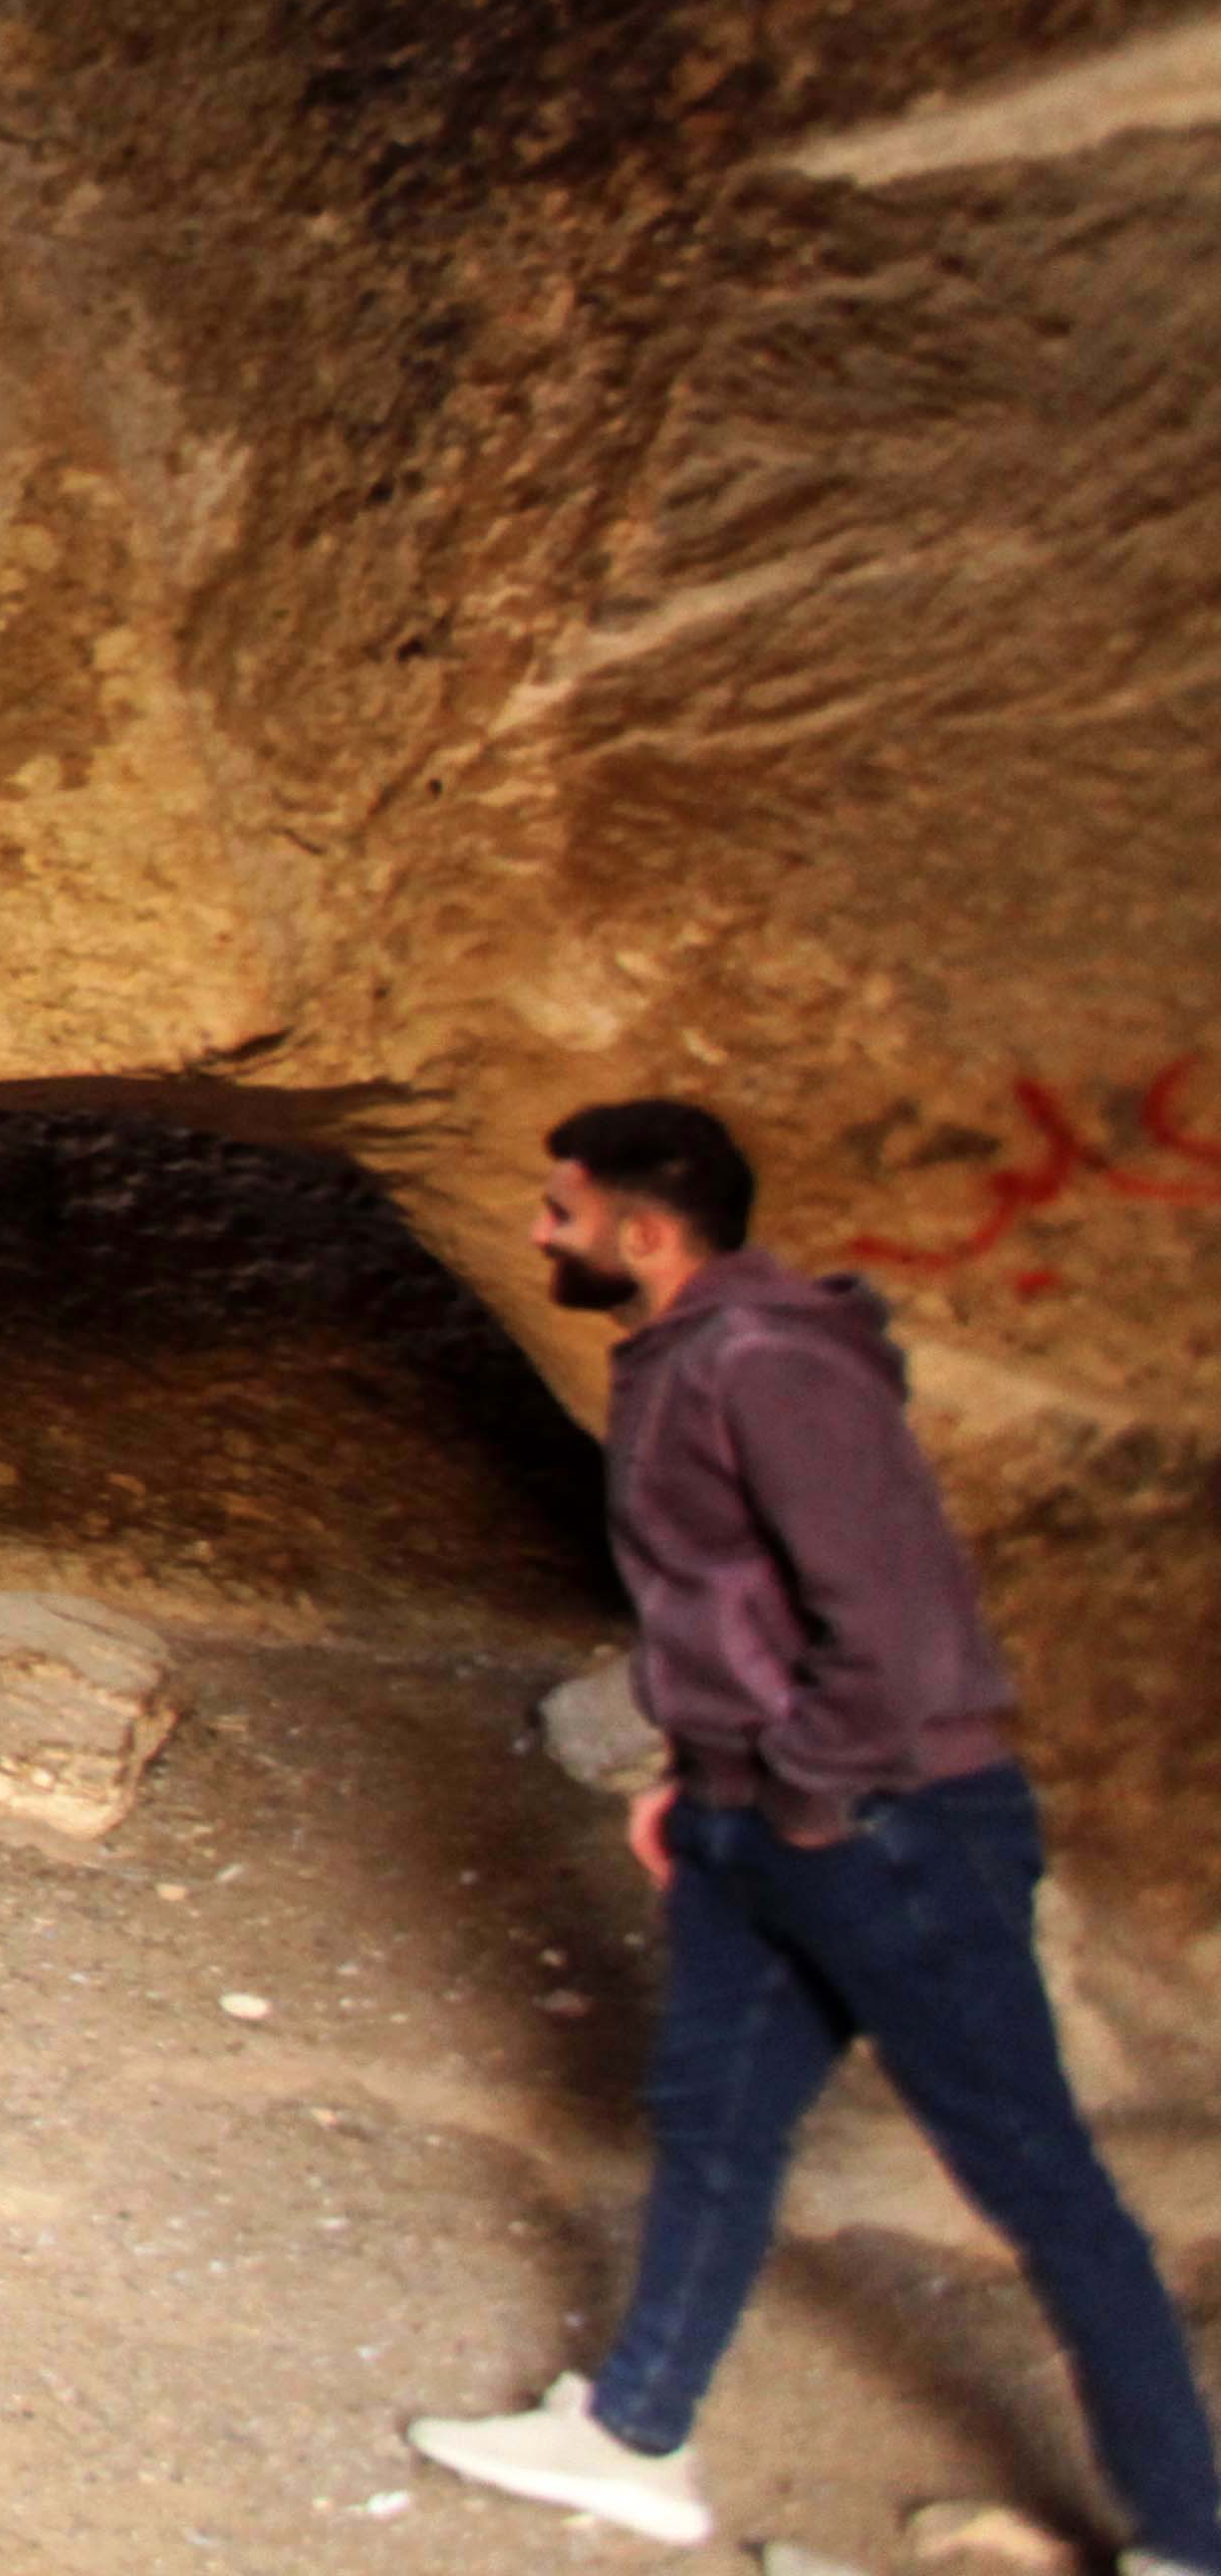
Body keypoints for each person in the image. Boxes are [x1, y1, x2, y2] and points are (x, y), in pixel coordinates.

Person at [406, 1100, 1216, 2569]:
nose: (538, 1231)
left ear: (647, 1230)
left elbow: (891, 1631)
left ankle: (1190, 2538)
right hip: (764, 1816)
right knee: (712, 2122)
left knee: (1040, 2181)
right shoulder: (691, 1355)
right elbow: (738, 1609)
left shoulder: (775, 1366)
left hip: (891, 1831)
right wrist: (702, 1780)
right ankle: (635, 2436)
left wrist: (802, 1800)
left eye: (561, 1210)